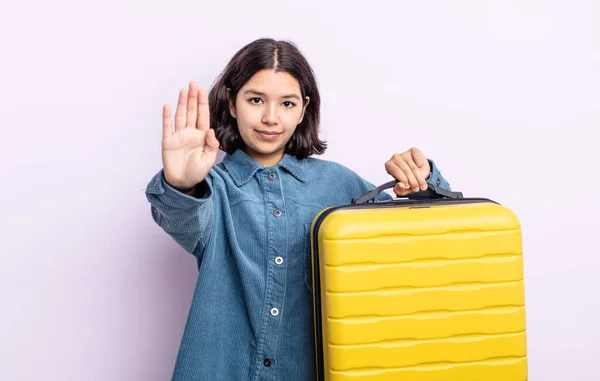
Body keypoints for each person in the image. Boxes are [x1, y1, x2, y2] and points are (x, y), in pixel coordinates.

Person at [145, 38, 451, 381]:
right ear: (232, 102)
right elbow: (184, 220)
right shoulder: (213, 189)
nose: (270, 118)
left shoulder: (339, 185)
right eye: (256, 99)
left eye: (287, 103)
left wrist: (422, 184)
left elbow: (419, 248)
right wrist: (183, 185)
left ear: (304, 108)